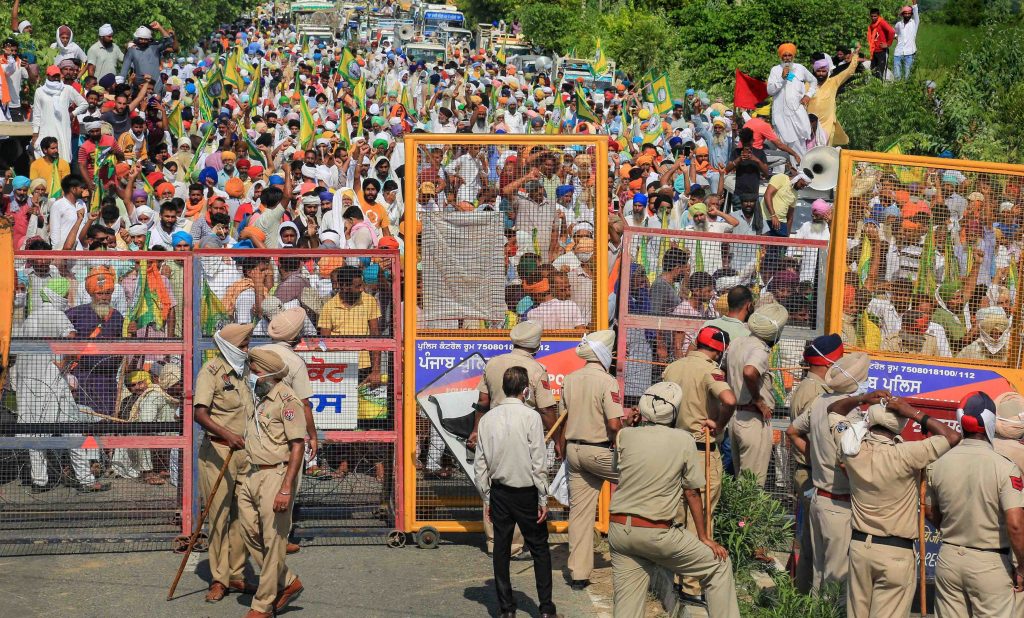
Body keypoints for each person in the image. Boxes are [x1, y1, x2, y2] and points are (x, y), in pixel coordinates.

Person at [609, 382, 740, 618]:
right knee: (719, 565)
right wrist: (703, 537)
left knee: (627, 607)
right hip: (657, 533)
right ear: (675, 412)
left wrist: (630, 426)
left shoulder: (625, 435)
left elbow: (618, 470)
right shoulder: (683, 440)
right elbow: (691, 492)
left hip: (620, 531)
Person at [843, 397, 960, 617]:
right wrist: (913, 413)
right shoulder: (906, 454)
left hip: (859, 547)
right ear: (899, 425)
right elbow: (952, 436)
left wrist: (862, 399)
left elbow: (834, 412)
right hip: (895, 552)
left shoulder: (851, 448)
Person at [926, 391, 1024, 618]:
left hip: (948, 557)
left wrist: (954, 529)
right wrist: (1022, 566)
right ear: (990, 421)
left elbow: (931, 511)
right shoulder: (1004, 467)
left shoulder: (940, 462)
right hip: (990, 563)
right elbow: (1016, 525)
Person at [473, 366, 557, 618]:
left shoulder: (487, 419)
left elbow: (480, 465)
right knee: (540, 549)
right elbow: (538, 462)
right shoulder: (531, 417)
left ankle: (506, 608)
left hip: (499, 491)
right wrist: (543, 497)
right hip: (527, 492)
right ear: (525, 390)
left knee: (501, 548)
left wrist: (486, 497)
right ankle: (546, 609)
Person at [786, 352, 873, 597]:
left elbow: (792, 431)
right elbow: (851, 462)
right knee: (835, 582)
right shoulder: (852, 415)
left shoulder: (820, 401)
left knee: (818, 573)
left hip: (818, 498)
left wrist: (815, 456)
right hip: (840, 503)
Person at [661, 326, 736, 606]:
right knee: (701, 516)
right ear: (719, 350)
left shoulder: (673, 367)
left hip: (673, 447)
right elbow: (729, 399)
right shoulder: (710, 370)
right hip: (700, 449)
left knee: (678, 514)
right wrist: (720, 423)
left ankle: (676, 576)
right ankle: (692, 585)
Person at [468, 320, 557, 557]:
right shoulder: (537, 370)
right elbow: (548, 411)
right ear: (537, 344)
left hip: (492, 427)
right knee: (517, 484)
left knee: (491, 481)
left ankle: (493, 541)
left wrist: (476, 430)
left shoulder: (493, 363)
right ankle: (515, 546)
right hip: (521, 429)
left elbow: (482, 402)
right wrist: (558, 438)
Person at [237, 348, 305, 618]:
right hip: (251, 474)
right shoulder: (260, 397)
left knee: (273, 539)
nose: (250, 376)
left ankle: (262, 605)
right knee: (249, 533)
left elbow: (297, 445)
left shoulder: (288, 401)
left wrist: (286, 488)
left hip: (276, 475)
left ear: (265, 373)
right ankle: (287, 580)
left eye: (253, 372)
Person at [193, 323, 257, 603]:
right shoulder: (210, 372)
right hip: (219, 454)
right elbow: (200, 413)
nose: (248, 350)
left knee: (244, 515)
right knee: (218, 516)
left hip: (247, 455)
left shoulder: (246, 372)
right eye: (243, 346)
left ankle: (237, 574)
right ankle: (219, 579)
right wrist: (227, 434)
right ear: (231, 347)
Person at [558, 329, 622, 591]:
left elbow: (563, 419)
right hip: (600, 451)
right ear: (606, 355)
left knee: (580, 514)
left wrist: (561, 447)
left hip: (574, 451)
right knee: (643, 479)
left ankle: (578, 574)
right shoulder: (608, 382)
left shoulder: (571, 379)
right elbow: (615, 424)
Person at [789, 334, 843, 593]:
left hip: (810, 471)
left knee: (812, 545)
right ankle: (805, 603)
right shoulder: (815, 392)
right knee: (814, 548)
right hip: (812, 474)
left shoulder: (811, 387)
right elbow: (806, 435)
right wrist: (817, 459)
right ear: (829, 361)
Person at [264, 307, 318, 554]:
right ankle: (280, 538)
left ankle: (258, 533)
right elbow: (304, 403)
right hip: (285, 430)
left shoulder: (256, 353)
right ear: (296, 336)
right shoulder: (295, 362)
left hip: (257, 427)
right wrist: (313, 436)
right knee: (288, 482)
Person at [726, 303, 788, 485]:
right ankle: (747, 515)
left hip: (735, 417)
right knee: (752, 487)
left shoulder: (738, 342)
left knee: (742, 482)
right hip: (752, 419)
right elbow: (749, 371)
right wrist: (758, 400)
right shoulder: (760, 349)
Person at [767, 43, 816, 160]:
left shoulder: (800, 68)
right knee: (781, 146)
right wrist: (782, 78)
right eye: (784, 55)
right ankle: (780, 176)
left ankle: (801, 174)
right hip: (781, 116)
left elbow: (813, 81)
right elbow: (770, 91)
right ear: (781, 57)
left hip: (796, 115)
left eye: (789, 55)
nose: (787, 58)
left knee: (799, 146)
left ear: (793, 56)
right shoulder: (775, 70)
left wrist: (808, 95)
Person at [31, 64, 88, 161]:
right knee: (45, 160)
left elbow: (84, 104)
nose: (56, 78)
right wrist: (35, 134)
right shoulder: (40, 91)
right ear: (48, 76)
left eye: (57, 75)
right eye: (53, 75)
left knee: (63, 160)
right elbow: (36, 115)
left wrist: (72, 113)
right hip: (46, 130)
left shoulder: (67, 89)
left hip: (63, 130)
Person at [120, 23, 177, 95]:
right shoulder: (132, 50)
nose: (143, 41)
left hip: (156, 87)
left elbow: (169, 41)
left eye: (145, 39)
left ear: (149, 39)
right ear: (136, 38)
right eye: (141, 39)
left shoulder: (155, 47)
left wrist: (160, 28)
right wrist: (120, 88)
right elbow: (124, 71)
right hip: (139, 88)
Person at [892, 2, 919, 80]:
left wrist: (914, 2)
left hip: (909, 53)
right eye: (905, 13)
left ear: (911, 14)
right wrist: (897, 39)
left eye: (909, 13)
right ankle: (897, 91)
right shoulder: (898, 24)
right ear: (902, 14)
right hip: (898, 53)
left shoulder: (914, 23)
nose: (907, 15)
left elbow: (916, 11)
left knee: (907, 76)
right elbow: (894, 33)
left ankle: (906, 91)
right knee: (897, 76)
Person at [868, 7, 896, 79]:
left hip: (882, 52)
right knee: (873, 72)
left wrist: (888, 44)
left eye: (875, 16)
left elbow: (892, 31)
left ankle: (880, 89)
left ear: (878, 15)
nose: (873, 18)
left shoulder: (882, 22)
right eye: (872, 16)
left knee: (880, 73)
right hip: (874, 51)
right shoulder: (872, 25)